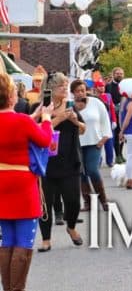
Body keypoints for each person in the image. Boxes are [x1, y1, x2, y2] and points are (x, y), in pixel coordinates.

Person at [0, 73, 53, 291]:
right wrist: (47, 118)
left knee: (7, 241)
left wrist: (33, 117)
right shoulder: (22, 121)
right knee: (23, 241)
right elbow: (45, 140)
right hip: (23, 184)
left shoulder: (22, 121)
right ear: (12, 97)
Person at [38, 72, 86, 252]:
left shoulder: (71, 106)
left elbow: (83, 129)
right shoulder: (40, 107)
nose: (65, 89)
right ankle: (46, 239)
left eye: (66, 85)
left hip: (70, 160)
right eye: (61, 86)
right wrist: (59, 118)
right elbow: (37, 132)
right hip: (46, 163)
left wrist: (76, 122)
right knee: (45, 203)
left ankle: (71, 226)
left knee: (73, 201)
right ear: (50, 89)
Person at [71, 79, 112, 212]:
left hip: (94, 143)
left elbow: (105, 119)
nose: (81, 93)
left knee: (92, 170)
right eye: (77, 91)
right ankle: (87, 202)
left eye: (83, 90)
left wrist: (104, 137)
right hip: (77, 144)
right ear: (73, 93)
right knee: (82, 172)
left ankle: (103, 200)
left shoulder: (96, 103)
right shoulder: (70, 106)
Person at [93, 79, 117, 167]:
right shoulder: (93, 97)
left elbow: (112, 109)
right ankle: (98, 160)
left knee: (109, 143)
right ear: (96, 87)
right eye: (100, 86)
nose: (102, 88)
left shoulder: (108, 96)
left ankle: (110, 161)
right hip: (97, 123)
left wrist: (114, 120)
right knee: (98, 142)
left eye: (103, 86)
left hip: (108, 122)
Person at [105, 67, 125, 163]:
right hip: (113, 113)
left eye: (121, 73)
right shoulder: (108, 86)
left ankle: (121, 153)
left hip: (123, 113)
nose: (119, 75)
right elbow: (106, 99)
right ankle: (117, 155)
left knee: (122, 133)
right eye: (117, 73)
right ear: (113, 74)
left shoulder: (125, 85)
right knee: (116, 134)